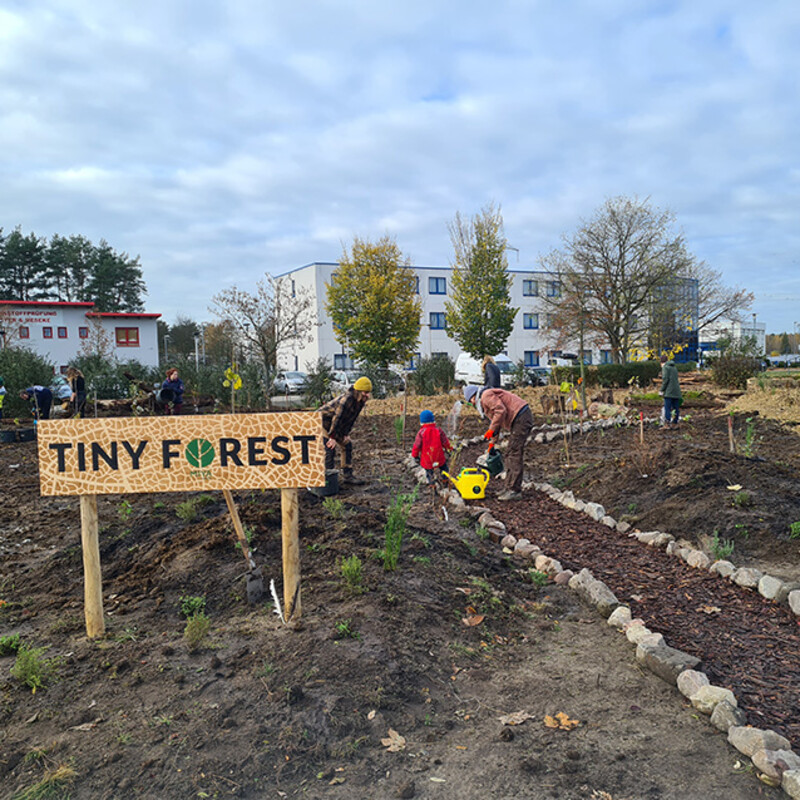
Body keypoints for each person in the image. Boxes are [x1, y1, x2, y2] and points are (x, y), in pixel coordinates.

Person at [463, 383, 533, 501]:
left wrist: (490, 430)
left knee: (514, 452)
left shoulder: (485, 396)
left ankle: (514, 490)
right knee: (510, 453)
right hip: (519, 418)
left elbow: (500, 411)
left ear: (473, 396)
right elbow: (497, 421)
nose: (472, 404)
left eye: (471, 401)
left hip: (521, 417)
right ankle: (509, 487)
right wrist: (492, 443)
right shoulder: (485, 401)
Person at [319, 376, 372, 485]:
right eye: (365, 392)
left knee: (347, 445)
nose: (368, 395)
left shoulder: (360, 401)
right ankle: (329, 478)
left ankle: (348, 475)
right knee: (330, 448)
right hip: (321, 422)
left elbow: (351, 419)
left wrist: (346, 434)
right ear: (358, 391)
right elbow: (337, 418)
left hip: (334, 425)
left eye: (368, 393)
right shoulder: (346, 400)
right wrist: (332, 437)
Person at [412, 409, 453, 485]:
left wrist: (415, 455)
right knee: (444, 468)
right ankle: (445, 480)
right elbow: (445, 442)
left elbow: (417, 445)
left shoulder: (421, 433)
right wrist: (450, 448)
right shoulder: (438, 430)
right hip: (439, 456)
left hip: (427, 458)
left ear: (422, 422)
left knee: (429, 472)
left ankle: (432, 484)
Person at [660, 354, 682, 427]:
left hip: (669, 392)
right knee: (676, 408)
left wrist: (661, 390)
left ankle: (667, 423)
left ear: (661, 362)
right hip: (676, 391)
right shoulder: (674, 367)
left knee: (667, 408)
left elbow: (665, 379)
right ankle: (675, 423)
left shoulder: (665, 368)